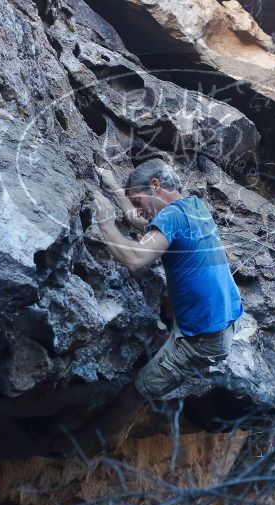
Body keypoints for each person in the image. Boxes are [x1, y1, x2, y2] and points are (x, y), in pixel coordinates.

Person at [32, 159, 243, 458]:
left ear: (155, 186)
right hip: (221, 321)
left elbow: (135, 259)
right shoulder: (193, 207)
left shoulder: (171, 217)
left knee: (135, 393)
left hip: (201, 338)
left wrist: (104, 222)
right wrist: (118, 190)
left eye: (139, 200)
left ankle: (65, 447)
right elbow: (144, 223)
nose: (140, 209)